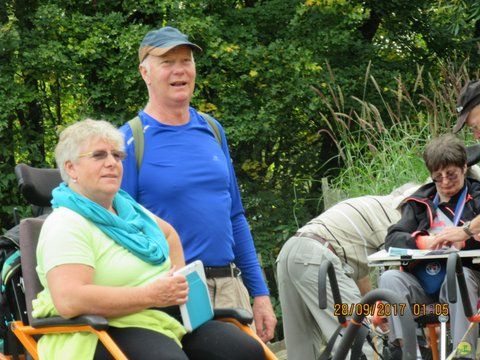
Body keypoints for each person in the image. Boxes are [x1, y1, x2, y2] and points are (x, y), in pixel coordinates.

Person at [32, 119, 265, 360]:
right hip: (98, 330)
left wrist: (177, 282)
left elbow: (169, 234)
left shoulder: (131, 212)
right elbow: (70, 300)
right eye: (99, 155)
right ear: (71, 168)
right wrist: (151, 295)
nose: (112, 163)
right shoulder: (66, 223)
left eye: (117, 155)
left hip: (162, 320)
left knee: (244, 350)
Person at [119, 26, 276, 341]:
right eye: (167, 62)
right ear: (145, 72)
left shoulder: (213, 129)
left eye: (186, 60)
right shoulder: (129, 140)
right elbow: (122, 230)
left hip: (231, 288)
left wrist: (260, 293)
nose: (179, 70)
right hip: (174, 296)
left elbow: (235, 216)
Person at [276, 182, 419, 360]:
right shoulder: (395, 218)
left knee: (301, 349)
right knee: (361, 341)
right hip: (318, 258)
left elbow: (360, 274)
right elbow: (404, 273)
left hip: (290, 251)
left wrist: (373, 308)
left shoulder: (373, 204)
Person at [379, 134, 480, 360]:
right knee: (389, 280)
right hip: (423, 283)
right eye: (438, 177)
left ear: (464, 167)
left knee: (459, 275)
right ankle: (408, 351)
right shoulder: (419, 202)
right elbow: (393, 237)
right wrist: (420, 241)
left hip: (464, 281)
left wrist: (465, 238)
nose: (444, 182)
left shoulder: (476, 196)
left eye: (451, 175)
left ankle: (464, 355)